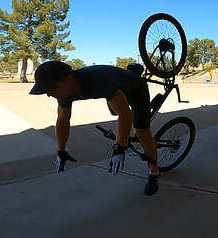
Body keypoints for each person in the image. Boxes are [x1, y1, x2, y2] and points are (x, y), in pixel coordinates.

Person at [29, 60, 160, 196]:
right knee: (116, 109)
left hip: (136, 90)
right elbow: (62, 120)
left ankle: (154, 172)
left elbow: (126, 115)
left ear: (68, 79)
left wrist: (119, 148)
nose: (49, 94)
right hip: (117, 88)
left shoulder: (98, 81)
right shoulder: (64, 93)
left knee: (141, 132)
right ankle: (129, 77)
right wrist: (60, 150)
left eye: (51, 89)